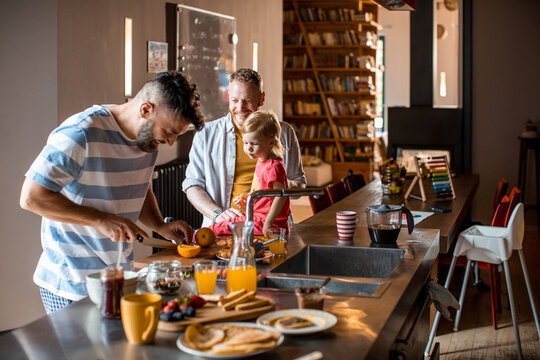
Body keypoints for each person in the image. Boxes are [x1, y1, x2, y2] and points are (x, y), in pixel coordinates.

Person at [19, 72, 204, 314]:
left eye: (176, 135)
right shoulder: (82, 133)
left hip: (117, 275)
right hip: (71, 281)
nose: (170, 142)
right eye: (169, 132)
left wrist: (159, 224)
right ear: (145, 109)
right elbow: (32, 197)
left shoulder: (148, 140)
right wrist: (100, 219)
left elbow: (140, 186)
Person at [183, 68, 305, 228]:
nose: (240, 108)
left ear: (261, 99)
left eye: (247, 101)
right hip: (223, 227)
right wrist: (217, 213)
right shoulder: (205, 134)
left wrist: (275, 186)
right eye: (234, 100)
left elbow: (299, 185)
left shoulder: (284, 132)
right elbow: (192, 185)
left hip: (271, 229)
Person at [210, 110, 290, 236]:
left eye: (254, 144)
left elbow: (281, 196)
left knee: (222, 227)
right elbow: (265, 193)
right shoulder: (261, 160)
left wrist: (269, 222)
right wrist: (248, 198)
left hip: (269, 221)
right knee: (226, 222)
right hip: (258, 215)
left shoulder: (273, 166)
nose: (248, 148)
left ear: (271, 142)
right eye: (246, 143)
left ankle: (194, 238)